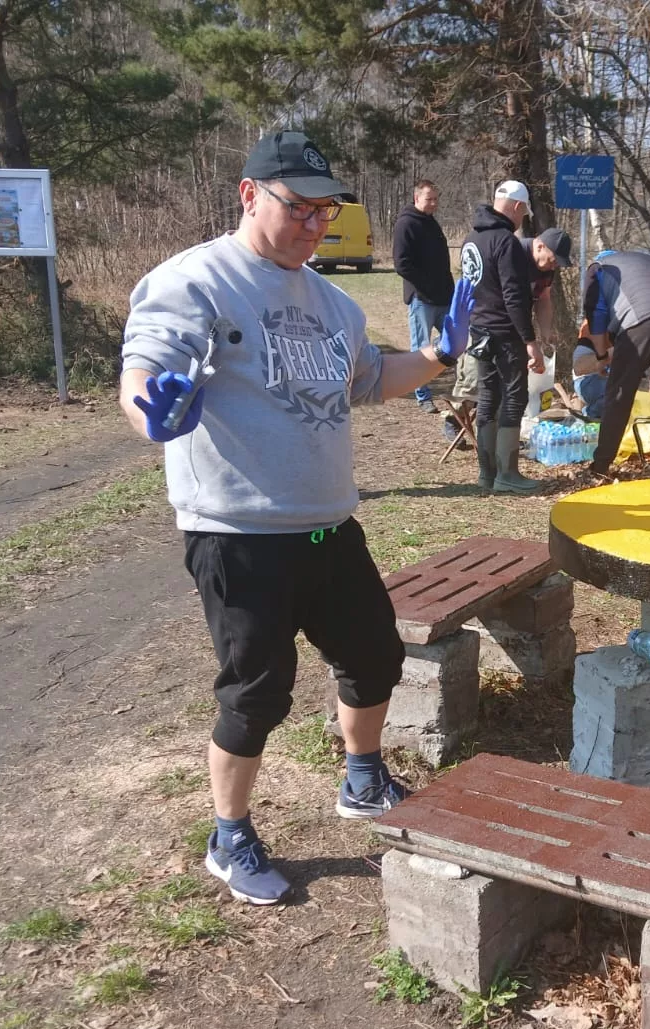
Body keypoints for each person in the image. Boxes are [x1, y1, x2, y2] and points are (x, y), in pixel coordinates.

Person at [119, 131, 476, 905]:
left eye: (327, 210)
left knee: (375, 656)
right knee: (257, 693)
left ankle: (360, 775)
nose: (315, 225)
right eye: (299, 208)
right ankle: (230, 834)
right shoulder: (197, 282)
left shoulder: (334, 303)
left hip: (328, 526)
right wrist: (153, 412)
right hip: (238, 534)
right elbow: (146, 369)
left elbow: (374, 379)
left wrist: (444, 354)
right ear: (250, 194)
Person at [582, 249, 650, 479]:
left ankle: (601, 466)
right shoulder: (647, 258)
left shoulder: (598, 269)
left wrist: (602, 357)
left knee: (620, 393)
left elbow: (597, 318)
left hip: (640, 321)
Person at [463, 180, 544, 494]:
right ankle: (508, 474)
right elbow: (514, 296)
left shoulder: (472, 238)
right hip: (505, 332)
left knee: (487, 398)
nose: (522, 218)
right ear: (517, 207)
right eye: (523, 212)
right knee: (514, 398)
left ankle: (487, 474)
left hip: (479, 329)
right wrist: (530, 340)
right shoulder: (506, 242)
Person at [393, 179, 454, 413]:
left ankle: (459, 387)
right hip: (421, 299)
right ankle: (423, 396)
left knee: (456, 339)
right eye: (430, 199)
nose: (434, 203)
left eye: (436, 199)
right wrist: (425, 285)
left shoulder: (432, 223)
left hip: (444, 296)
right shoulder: (406, 224)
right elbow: (402, 264)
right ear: (417, 198)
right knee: (420, 349)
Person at [519, 227, 574, 356]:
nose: (555, 266)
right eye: (554, 260)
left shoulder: (548, 269)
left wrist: (545, 331)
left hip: (521, 329)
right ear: (540, 247)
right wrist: (529, 341)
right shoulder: (515, 253)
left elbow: (543, 297)